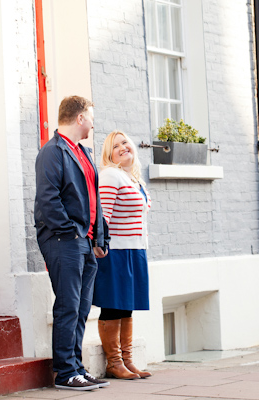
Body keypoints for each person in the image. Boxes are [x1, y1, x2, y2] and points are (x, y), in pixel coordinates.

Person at [34, 96, 111, 391]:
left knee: (80, 308)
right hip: (64, 240)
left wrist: (99, 237)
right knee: (68, 305)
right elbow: (48, 199)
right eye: (90, 116)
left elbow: (95, 199)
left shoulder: (84, 152)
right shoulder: (52, 152)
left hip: (86, 241)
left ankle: (76, 366)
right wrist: (73, 233)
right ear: (79, 118)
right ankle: (65, 373)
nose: (92, 122)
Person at [93, 130, 152, 379]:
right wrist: (100, 245)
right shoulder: (110, 175)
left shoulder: (133, 178)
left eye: (125, 142)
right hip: (115, 251)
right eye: (115, 146)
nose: (122, 148)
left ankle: (126, 360)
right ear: (109, 154)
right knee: (112, 306)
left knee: (127, 306)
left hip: (135, 248)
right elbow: (102, 216)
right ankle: (114, 363)